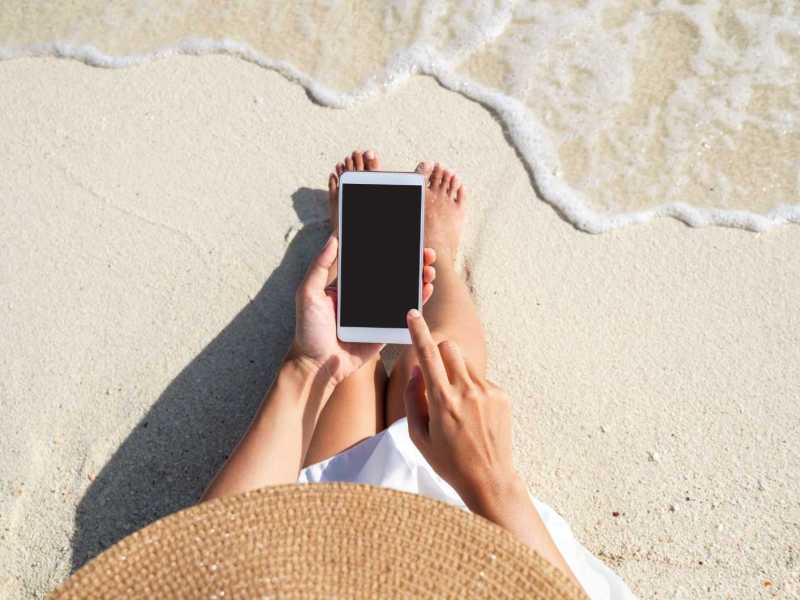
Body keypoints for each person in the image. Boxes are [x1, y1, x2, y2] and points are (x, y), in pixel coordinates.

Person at [202, 151, 629, 598]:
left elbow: (211, 561)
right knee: (434, 364)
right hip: (472, 558)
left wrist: (305, 366)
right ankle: (437, 253)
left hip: (338, 549)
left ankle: (360, 254)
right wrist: (490, 478)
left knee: (349, 365)